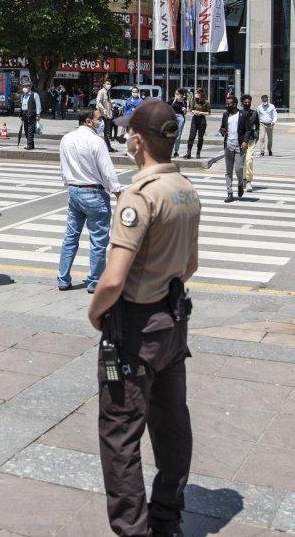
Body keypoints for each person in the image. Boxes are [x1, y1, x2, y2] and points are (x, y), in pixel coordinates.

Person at [87, 98, 199, 537]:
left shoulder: (140, 196)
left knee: (120, 432)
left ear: (137, 140)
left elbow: (113, 280)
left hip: (134, 326)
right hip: (173, 321)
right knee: (172, 423)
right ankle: (167, 517)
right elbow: (190, 266)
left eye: (128, 133)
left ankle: (133, 530)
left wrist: (95, 312)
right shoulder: (186, 189)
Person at [58, 107, 124, 293]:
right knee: (98, 240)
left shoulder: (66, 139)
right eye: (98, 119)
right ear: (88, 121)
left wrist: (69, 186)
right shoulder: (96, 141)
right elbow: (107, 171)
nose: (101, 121)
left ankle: (63, 278)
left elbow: (63, 168)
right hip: (94, 193)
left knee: (71, 236)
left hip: (74, 192)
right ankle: (94, 281)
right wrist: (117, 192)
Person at [218, 95, 249, 202]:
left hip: (240, 146)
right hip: (228, 145)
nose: (227, 105)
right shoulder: (225, 115)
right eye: (226, 103)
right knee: (228, 171)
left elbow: (248, 130)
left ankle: (240, 183)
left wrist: (245, 141)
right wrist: (222, 131)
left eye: (229, 104)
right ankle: (229, 193)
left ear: (235, 104)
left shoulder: (243, 114)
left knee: (239, 168)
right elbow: (222, 128)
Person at [239, 94, 261, 190]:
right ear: (242, 103)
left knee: (249, 159)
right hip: (241, 140)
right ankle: (243, 179)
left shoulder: (255, 113)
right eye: (245, 102)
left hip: (251, 139)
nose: (247, 103)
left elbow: (257, 126)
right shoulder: (239, 113)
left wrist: (256, 135)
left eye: (248, 102)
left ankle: (248, 181)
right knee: (242, 161)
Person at [184, 89, 210, 159]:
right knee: (191, 136)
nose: (195, 94)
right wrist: (193, 111)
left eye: (196, 93)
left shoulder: (206, 102)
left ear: (200, 94)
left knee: (200, 138)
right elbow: (191, 110)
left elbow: (208, 112)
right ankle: (188, 152)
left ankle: (198, 153)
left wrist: (200, 112)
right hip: (194, 119)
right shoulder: (194, 100)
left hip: (202, 120)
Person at [20, 85, 42, 150]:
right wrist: (21, 115)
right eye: (23, 87)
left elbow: (38, 105)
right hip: (24, 114)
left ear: (29, 87)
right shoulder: (23, 95)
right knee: (26, 130)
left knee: (30, 130)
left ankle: (29, 145)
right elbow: (22, 105)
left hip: (31, 114)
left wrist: (38, 114)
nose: (24, 88)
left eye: (25, 87)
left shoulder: (35, 95)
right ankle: (31, 145)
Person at [96, 80, 116, 152]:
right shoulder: (101, 92)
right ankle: (107, 147)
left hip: (107, 114)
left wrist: (112, 106)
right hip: (103, 115)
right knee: (104, 131)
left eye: (110, 84)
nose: (109, 85)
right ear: (104, 84)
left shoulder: (108, 92)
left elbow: (108, 102)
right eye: (107, 84)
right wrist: (104, 110)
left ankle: (107, 146)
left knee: (107, 131)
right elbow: (98, 102)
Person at [169, 89, 188, 157]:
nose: (176, 95)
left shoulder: (184, 102)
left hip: (181, 118)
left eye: (177, 94)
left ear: (181, 95)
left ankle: (176, 151)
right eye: (175, 94)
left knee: (178, 136)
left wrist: (185, 110)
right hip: (172, 117)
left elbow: (185, 113)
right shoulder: (172, 100)